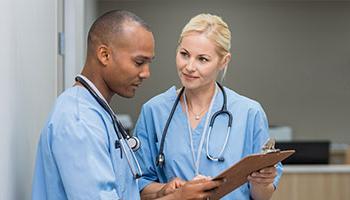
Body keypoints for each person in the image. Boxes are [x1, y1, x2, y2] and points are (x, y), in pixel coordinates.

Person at [32, 10, 220, 200]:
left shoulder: (98, 112)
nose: (146, 73)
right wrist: (178, 198)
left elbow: (124, 190)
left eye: (149, 63)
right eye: (139, 62)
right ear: (104, 55)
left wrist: (162, 192)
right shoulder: (79, 121)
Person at [135, 13, 283, 200]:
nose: (189, 66)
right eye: (184, 54)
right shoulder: (154, 111)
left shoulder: (249, 113)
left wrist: (261, 182)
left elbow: (262, 197)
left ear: (224, 61)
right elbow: (139, 186)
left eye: (202, 59)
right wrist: (170, 190)